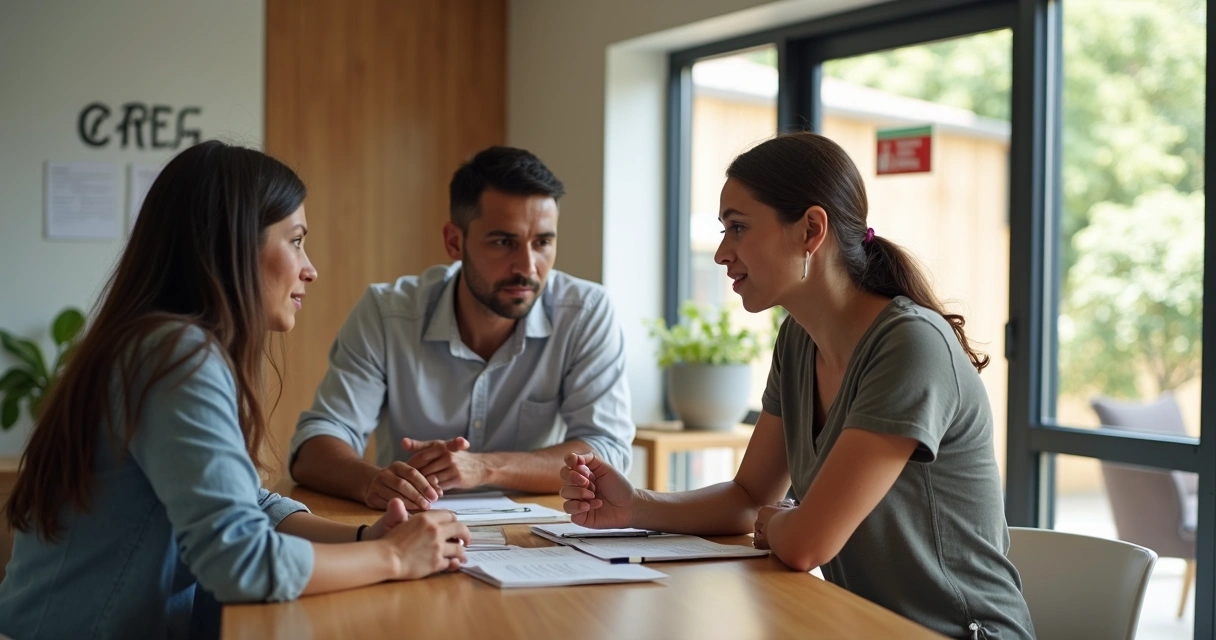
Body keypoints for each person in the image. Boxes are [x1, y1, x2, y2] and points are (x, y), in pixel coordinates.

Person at [559, 132, 1036, 640]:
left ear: (811, 229)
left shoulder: (909, 346)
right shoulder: (797, 341)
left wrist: (785, 522)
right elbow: (749, 497)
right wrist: (633, 505)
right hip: (861, 626)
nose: (722, 254)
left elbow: (809, 544)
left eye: (738, 228)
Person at [0, 141, 470, 640]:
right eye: (295, 240)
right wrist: (393, 556)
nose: (309, 267)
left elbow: (246, 501)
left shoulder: (158, 342)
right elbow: (239, 561)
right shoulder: (174, 356)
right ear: (234, 244)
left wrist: (364, 536)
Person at [289, 146, 634, 510]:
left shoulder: (585, 312)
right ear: (455, 241)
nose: (528, 267)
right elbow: (315, 444)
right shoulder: (387, 313)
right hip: (411, 530)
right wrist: (376, 482)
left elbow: (607, 451)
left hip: (536, 539)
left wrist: (485, 467)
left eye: (543, 242)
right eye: (504, 242)